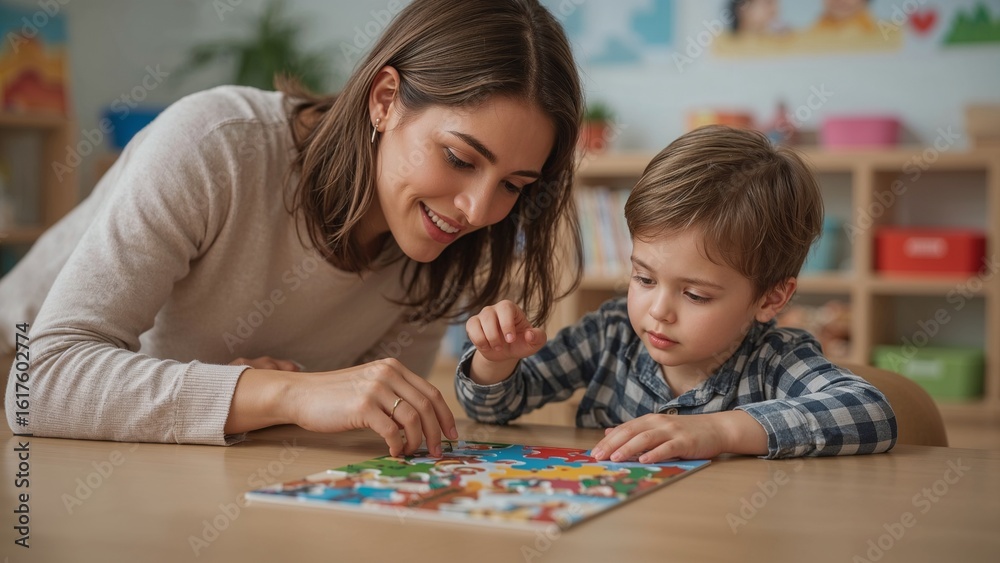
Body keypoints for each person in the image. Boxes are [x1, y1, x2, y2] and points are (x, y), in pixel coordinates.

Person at [2, 0, 584, 459]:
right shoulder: (216, 145)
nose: (479, 210)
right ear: (385, 100)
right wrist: (281, 395)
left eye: (514, 184)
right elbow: (43, 383)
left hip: (158, 456)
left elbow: (367, 426)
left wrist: (259, 403)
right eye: (459, 158)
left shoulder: (442, 237)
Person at [456, 125, 897, 461]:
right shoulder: (610, 335)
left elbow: (871, 412)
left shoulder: (775, 359)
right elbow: (494, 409)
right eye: (644, 279)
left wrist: (723, 431)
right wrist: (495, 360)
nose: (658, 312)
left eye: (696, 295)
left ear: (770, 299)